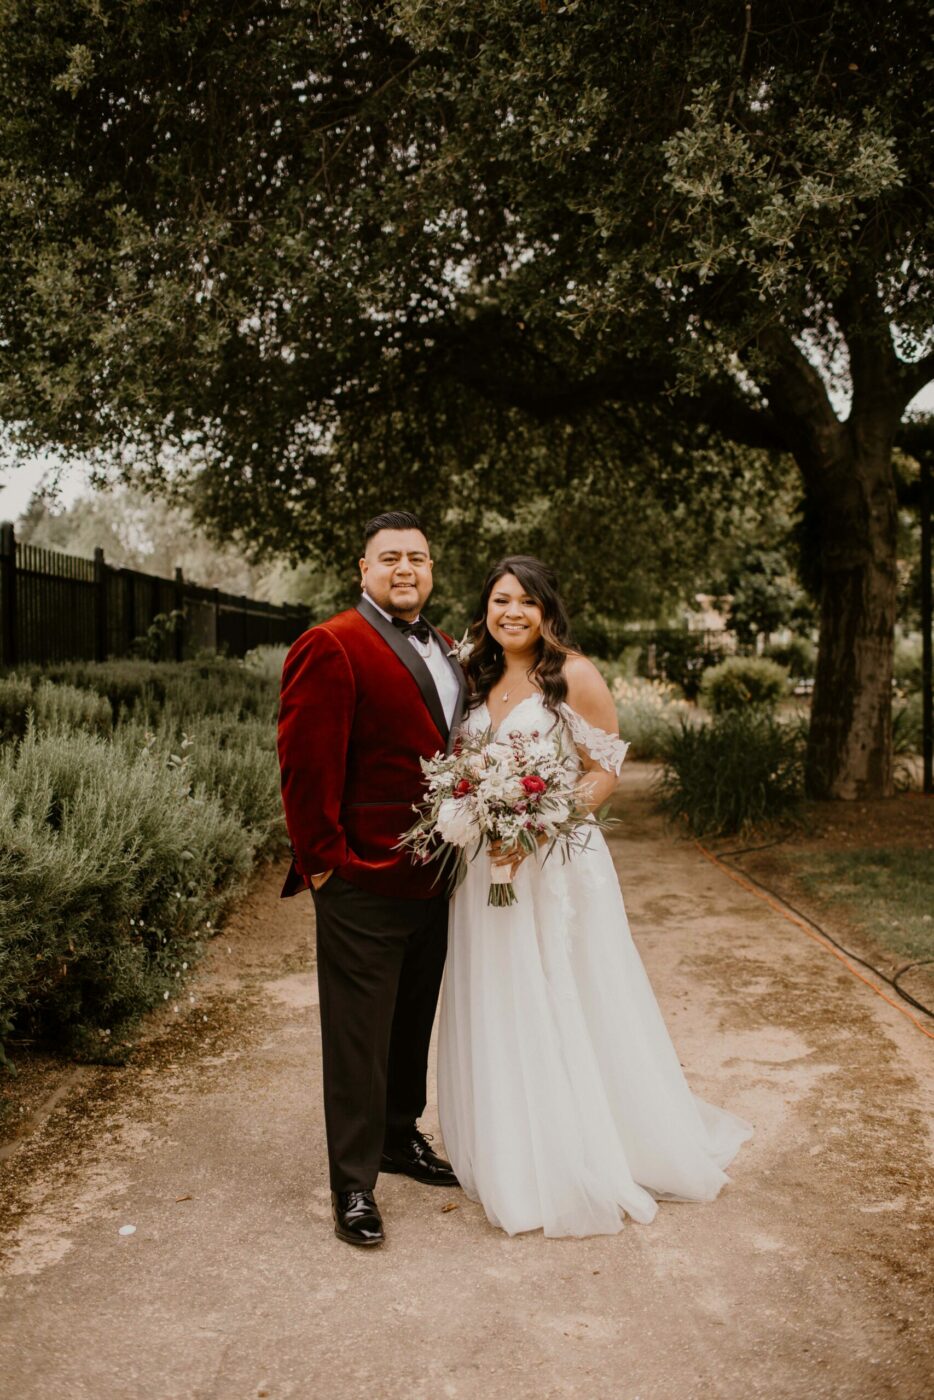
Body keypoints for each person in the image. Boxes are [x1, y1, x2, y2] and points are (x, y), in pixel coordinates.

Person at [438, 556, 752, 1237]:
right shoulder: (472, 675)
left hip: (552, 869)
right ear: (484, 609)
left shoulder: (572, 675)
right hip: (482, 872)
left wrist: (538, 823)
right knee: (496, 993)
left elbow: (606, 769)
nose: (512, 612)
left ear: (547, 610)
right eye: (500, 600)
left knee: (560, 990)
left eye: (526, 601)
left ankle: (574, 1150)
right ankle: (505, 1143)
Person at [277, 511, 466, 1247]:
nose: (405, 569)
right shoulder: (331, 644)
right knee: (357, 1035)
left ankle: (399, 1135)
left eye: (417, 558)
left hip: (436, 876)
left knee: (412, 1019)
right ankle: (353, 1184)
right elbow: (304, 767)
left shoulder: (449, 648)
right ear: (363, 569)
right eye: (389, 558)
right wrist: (326, 867)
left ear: (431, 569)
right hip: (359, 878)